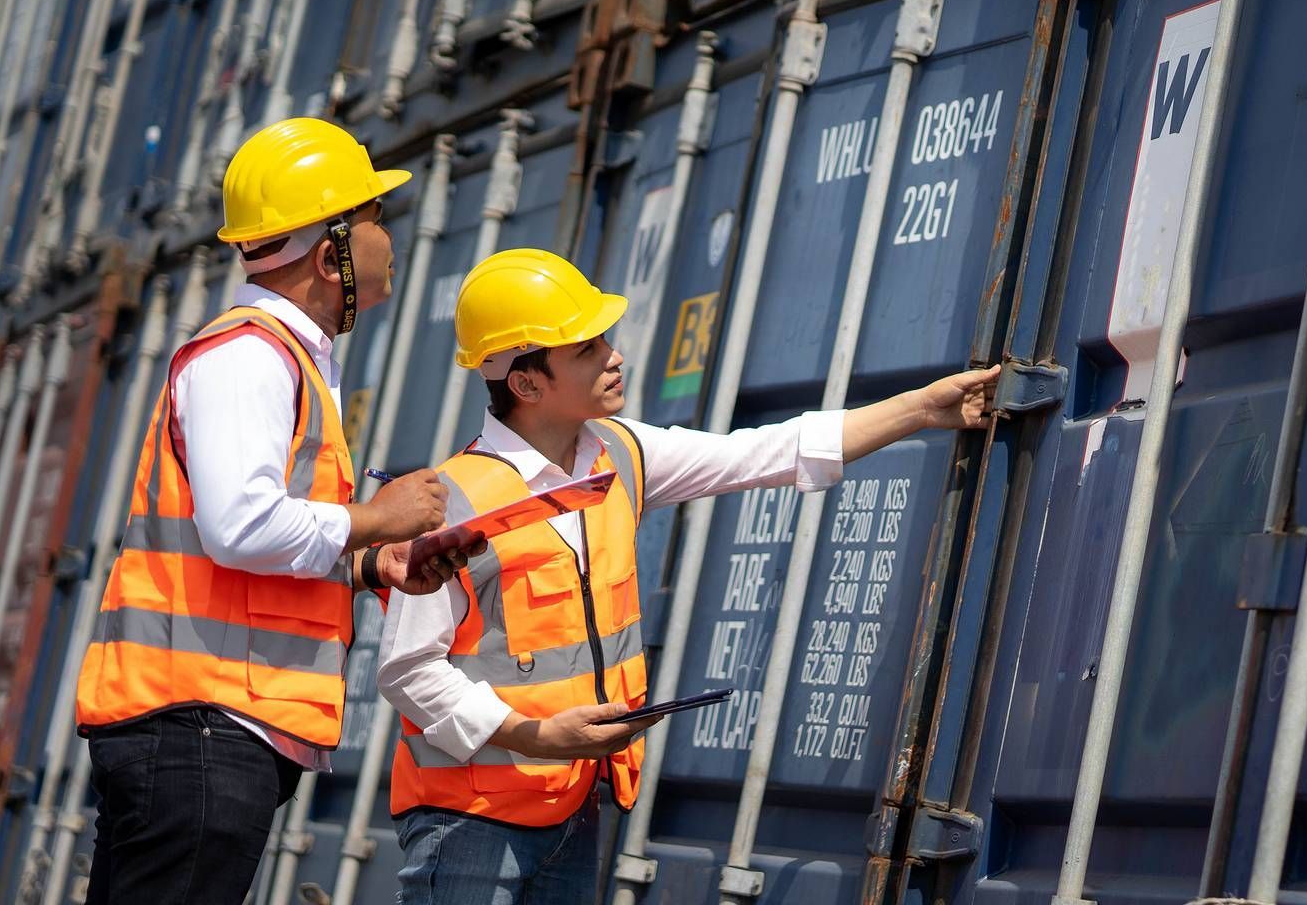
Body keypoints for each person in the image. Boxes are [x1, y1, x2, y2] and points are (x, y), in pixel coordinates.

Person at [377, 248, 997, 904]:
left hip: (573, 805)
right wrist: (533, 735)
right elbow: (407, 669)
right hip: (469, 821)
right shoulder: (453, 502)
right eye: (588, 348)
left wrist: (923, 409)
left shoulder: (619, 453)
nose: (615, 356)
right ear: (527, 385)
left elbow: (765, 452)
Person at [73, 117, 472, 903]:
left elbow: (256, 548)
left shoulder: (273, 359)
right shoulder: (250, 358)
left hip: (204, 728)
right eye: (374, 221)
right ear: (331, 257)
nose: (388, 240)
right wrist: (377, 519)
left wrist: (365, 566)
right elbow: (242, 528)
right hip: (200, 725)